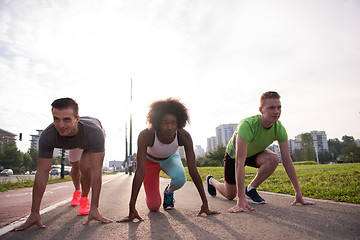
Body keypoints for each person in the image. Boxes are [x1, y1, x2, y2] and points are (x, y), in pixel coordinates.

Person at [206, 91, 314, 213]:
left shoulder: (279, 128)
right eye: (271, 108)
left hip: (254, 154)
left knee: (273, 159)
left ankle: (251, 189)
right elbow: (239, 162)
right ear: (261, 110)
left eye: (279, 107)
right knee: (230, 195)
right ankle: (211, 180)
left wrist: (298, 193)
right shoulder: (247, 126)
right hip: (234, 156)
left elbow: (287, 160)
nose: (276, 111)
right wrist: (241, 200)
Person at [14, 98, 112, 231]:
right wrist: (34, 212)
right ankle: (77, 191)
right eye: (56, 119)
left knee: (87, 167)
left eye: (66, 119)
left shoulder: (94, 133)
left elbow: (97, 171)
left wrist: (95, 208)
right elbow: (42, 172)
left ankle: (85, 199)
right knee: (75, 166)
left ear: (76, 118)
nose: (61, 125)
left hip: (88, 138)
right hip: (74, 140)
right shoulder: (48, 136)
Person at [119, 98, 219, 222]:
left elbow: (193, 170)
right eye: (164, 123)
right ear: (156, 123)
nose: (170, 127)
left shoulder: (184, 136)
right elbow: (140, 171)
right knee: (154, 206)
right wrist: (131, 207)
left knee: (180, 178)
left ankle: (169, 192)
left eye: (173, 123)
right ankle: (153, 198)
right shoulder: (146, 135)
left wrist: (205, 203)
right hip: (150, 162)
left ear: (179, 123)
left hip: (170, 158)